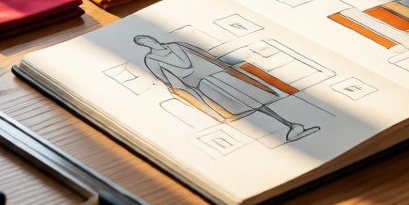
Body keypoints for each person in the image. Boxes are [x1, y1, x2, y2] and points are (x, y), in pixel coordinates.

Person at [133, 34, 319, 142]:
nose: (147, 42)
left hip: (217, 74)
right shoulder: (150, 59)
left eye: (147, 38)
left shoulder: (177, 44)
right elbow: (164, 78)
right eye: (142, 42)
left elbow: (204, 55)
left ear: (151, 38)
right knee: (243, 107)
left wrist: (225, 68)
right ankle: (290, 127)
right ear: (142, 46)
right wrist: (185, 91)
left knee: (253, 99)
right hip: (201, 84)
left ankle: (291, 125)